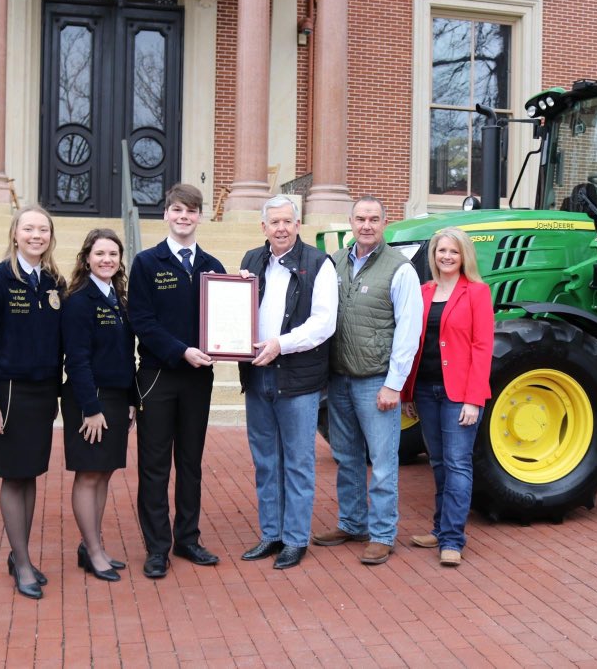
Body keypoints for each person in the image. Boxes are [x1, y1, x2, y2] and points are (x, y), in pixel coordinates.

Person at [312, 195, 423, 565]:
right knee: (347, 457)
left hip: (375, 380)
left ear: (384, 224)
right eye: (360, 219)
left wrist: (394, 384)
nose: (366, 225)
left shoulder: (400, 269)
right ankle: (352, 523)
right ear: (350, 221)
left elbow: (408, 331)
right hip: (339, 378)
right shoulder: (335, 263)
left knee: (383, 461)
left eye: (374, 219)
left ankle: (382, 533)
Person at [127, 183, 226, 579]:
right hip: (157, 378)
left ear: (200, 217)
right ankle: (157, 547)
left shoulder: (214, 267)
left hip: (198, 380)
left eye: (191, 211)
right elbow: (142, 321)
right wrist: (180, 350)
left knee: (190, 463)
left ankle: (187, 538)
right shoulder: (147, 263)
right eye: (177, 210)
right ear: (166, 214)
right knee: (154, 466)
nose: (184, 217)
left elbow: (224, 319)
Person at [237, 196, 337, 570]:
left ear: (298, 225)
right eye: (273, 222)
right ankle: (271, 534)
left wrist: (282, 344)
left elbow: (324, 323)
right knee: (265, 460)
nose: (281, 228)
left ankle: (295, 539)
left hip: (297, 378)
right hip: (257, 372)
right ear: (263, 227)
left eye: (287, 222)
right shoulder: (251, 260)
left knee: (297, 461)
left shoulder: (318, 263)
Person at [0, 205, 64, 600]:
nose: (35, 236)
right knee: (14, 475)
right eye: (28, 229)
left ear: (50, 237)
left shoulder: (55, 280)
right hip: (9, 391)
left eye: (42, 230)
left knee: (31, 474)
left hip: (45, 391)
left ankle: (20, 554)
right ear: (15, 234)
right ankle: (23, 563)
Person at [401, 228, 494, 567]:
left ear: (463, 256)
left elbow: (482, 348)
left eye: (453, 252)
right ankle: (440, 530)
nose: (447, 257)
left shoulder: (477, 293)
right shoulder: (424, 292)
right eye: (441, 251)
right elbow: (414, 342)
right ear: (434, 255)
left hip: (459, 394)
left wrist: (473, 399)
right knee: (438, 464)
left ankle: (453, 539)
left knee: (457, 464)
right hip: (425, 390)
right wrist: (408, 391)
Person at [61, 229, 137, 583]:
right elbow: (76, 359)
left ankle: (92, 544)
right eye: (100, 253)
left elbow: (125, 355)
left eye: (113, 254)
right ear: (86, 258)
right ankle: (92, 552)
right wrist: (91, 408)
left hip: (116, 397)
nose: (107, 260)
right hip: (89, 400)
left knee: (104, 472)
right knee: (89, 474)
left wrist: (132, 399)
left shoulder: (118, 299)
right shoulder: (79, 300)